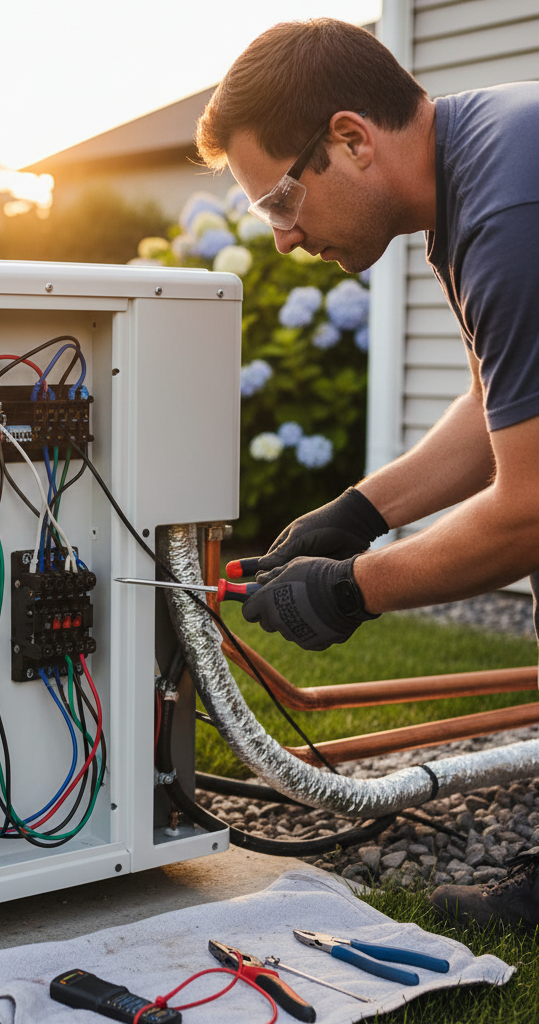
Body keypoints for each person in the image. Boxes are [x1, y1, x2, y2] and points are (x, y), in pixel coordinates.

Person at [195, 18, 539, 930]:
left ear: (350, 138)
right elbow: (500, 407)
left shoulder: (508, 212)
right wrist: (357, 512)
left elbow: (530, 509)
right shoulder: (485, 165)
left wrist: (352, 589)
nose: (282, 237)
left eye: (280, 199)